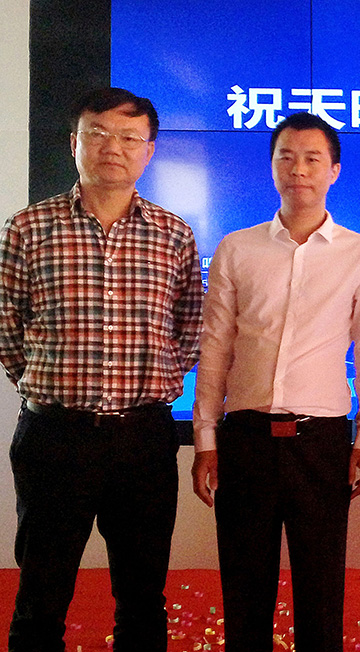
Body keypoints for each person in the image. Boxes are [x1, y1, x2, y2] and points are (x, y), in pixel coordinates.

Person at [0, 87, 203, 652]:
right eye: (98, 133)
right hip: (53, 437)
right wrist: (46, 384)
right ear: (74, 143)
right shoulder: (27, 228)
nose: (114, 147)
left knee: (142, 595)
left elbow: (190, 326)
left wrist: (154, 382)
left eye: (130, 137)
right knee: (41, 593)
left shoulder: (174, 234)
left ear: (149, 151)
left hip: (144, 438)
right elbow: (6, 324)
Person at [191, 112, 360, 651]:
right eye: (286, 157)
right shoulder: (237, 248)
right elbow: (216, 347)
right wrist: (205, 438)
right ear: (272, 166)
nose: (298, 169)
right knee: (244, 589)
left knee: (321, 592)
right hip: (245, 440)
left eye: (312, 159)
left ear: (334, 171)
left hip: (320, 443)